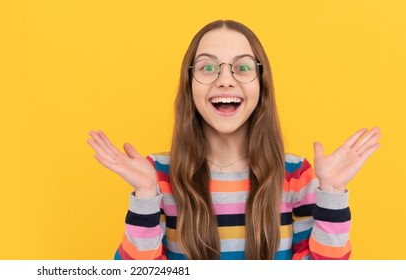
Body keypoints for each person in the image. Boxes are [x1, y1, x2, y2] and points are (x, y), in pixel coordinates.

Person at [86, 20, 381, 260]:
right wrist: (146, 196)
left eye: (242, 68)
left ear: (261, 85)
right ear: (189, 87)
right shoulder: (157, 175)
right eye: (208, 67)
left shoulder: (296, 175)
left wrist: (331, 192)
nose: (225, 80)